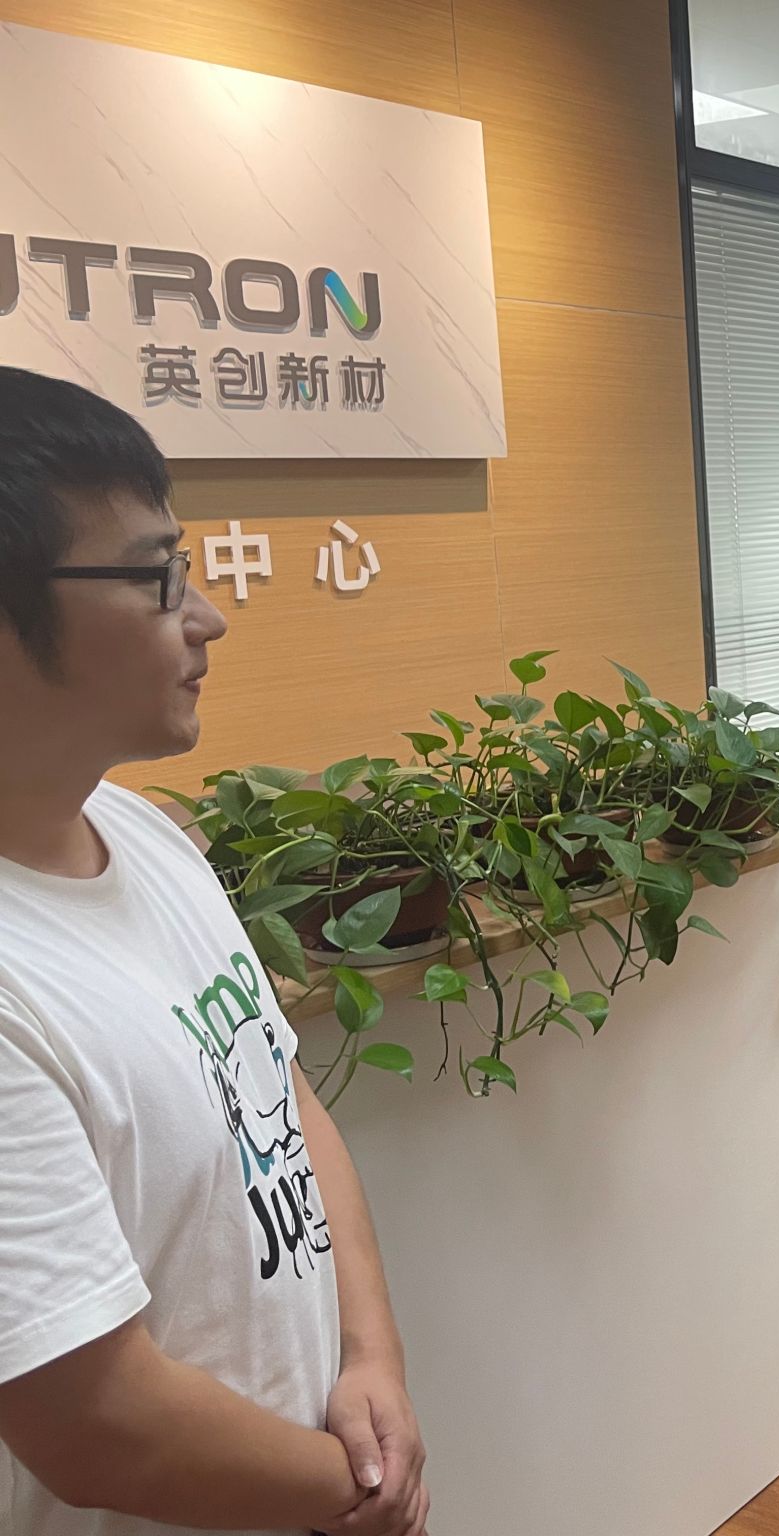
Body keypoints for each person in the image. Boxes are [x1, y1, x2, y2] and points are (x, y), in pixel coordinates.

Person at [0, 368, 427, 1536]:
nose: (206, 616)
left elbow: (281, 1100)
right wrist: (360, 1498)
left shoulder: (143, 832)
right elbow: (96, 1422)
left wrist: (370, 1360)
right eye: (155, 578)